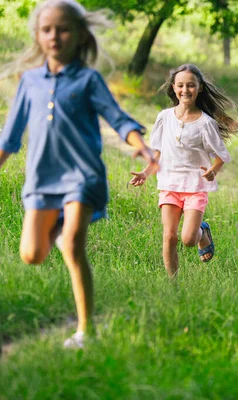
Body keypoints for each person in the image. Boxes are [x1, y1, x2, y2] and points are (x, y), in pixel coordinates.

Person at [0, 0, 157, 349]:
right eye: (47, 30)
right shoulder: (30, 82)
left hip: (82, 176)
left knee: (73, 245)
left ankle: (86, 331)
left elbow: (117, 117)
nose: (55, 36)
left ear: (80, 35)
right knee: (32, 255)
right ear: (38, 36)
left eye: (63, 29)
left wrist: (140, 145)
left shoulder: (88, 80)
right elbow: (9, 137)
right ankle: (57, 228)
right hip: (41, 180)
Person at [129, 64, 238, 278]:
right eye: (180, 85)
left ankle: (202, 232)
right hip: (169, 184)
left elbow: (222, 155)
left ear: (199, 88)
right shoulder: (165, 117)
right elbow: (158, 152)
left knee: (188, 239)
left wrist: (213, 171)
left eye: (191, 85)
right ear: (174, 87)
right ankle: (173, 284)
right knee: (169, 236)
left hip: (196, 186)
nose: (185, 90)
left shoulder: (206, 123)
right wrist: (145, 173)